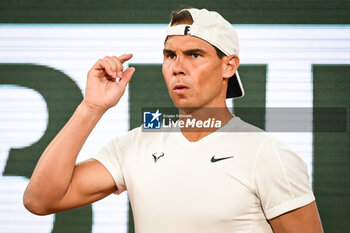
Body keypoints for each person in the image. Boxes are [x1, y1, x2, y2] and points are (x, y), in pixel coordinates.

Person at [23, 8, 324, 233]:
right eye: (170, 55)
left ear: (229, 66)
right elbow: (40, 200)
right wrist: (91, 106)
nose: (178, 67)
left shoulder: (266, 153)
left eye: (194, 55)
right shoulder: (137, 142)